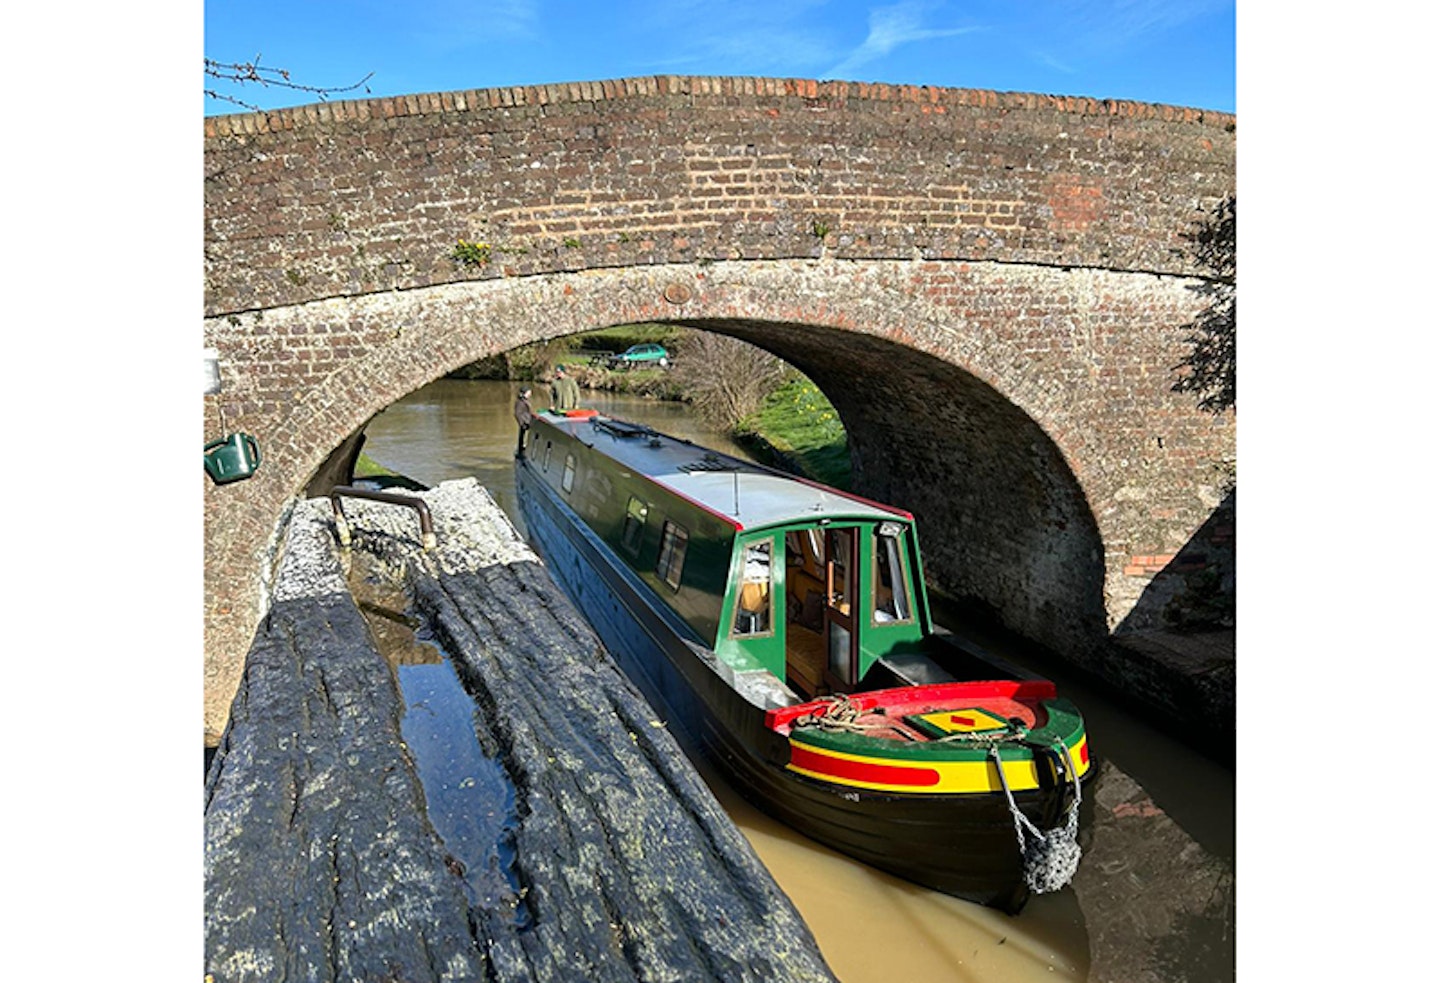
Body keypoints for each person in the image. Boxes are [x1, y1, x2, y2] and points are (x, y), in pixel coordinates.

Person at [513, 387, 534, 458]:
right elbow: (517, 414)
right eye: (529, 393)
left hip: (526, 421)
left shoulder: (523, 400)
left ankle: (521, 450)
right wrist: (522, 423)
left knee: (522, 436)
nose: (530, 394)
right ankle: (520, 452)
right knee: (522, 436)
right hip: (524, 422)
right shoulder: (520, 402)